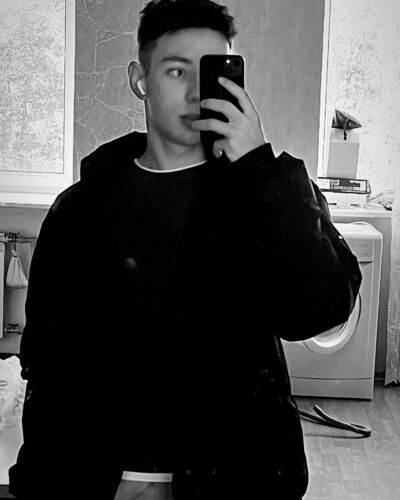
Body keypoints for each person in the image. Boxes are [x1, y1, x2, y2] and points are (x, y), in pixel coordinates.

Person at [9, 1, 362, 499]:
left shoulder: (269, 191)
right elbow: (46, 360)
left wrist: (259, 167)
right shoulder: (82, 208)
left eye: (213, 72)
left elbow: (320, 311)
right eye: (177, 71)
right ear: (140, 80)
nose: (198, 92)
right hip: (100, 480)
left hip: (237, 482)